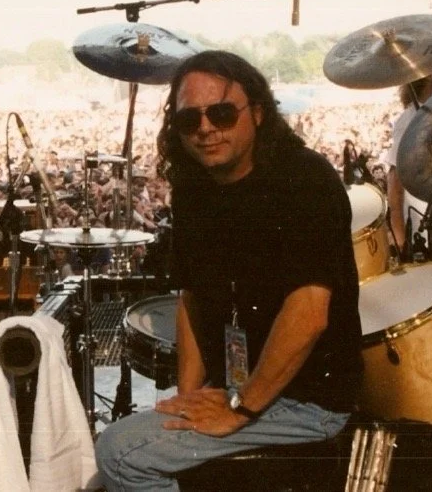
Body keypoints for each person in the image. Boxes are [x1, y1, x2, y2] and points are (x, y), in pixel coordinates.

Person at [95, 50, 364, 491]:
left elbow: (309, 313)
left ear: (257, 112)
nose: (205, 128)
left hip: (307, 400)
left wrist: (240, 410)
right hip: (238, 389)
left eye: (221, 114)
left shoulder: (305, 179)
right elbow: (192, 301)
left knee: (120, 453)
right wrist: (188, 399)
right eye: (189, 119)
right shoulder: (194, 188)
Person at [385, 66, 432, 258]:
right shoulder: (410, 121)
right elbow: (395, 185)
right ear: (430, 75)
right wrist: (400, 239)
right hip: (427, 233)